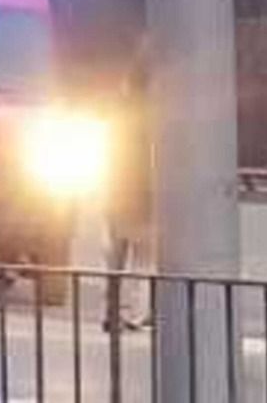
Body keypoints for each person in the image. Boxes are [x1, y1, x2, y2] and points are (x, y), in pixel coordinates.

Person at [104, 39, 155, 331]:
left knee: (117, 256)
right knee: (144, 259)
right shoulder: (154, 112)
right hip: (144, 192)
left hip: (119, 190)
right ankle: (136, 313)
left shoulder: (121, 110)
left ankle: (114, 311)